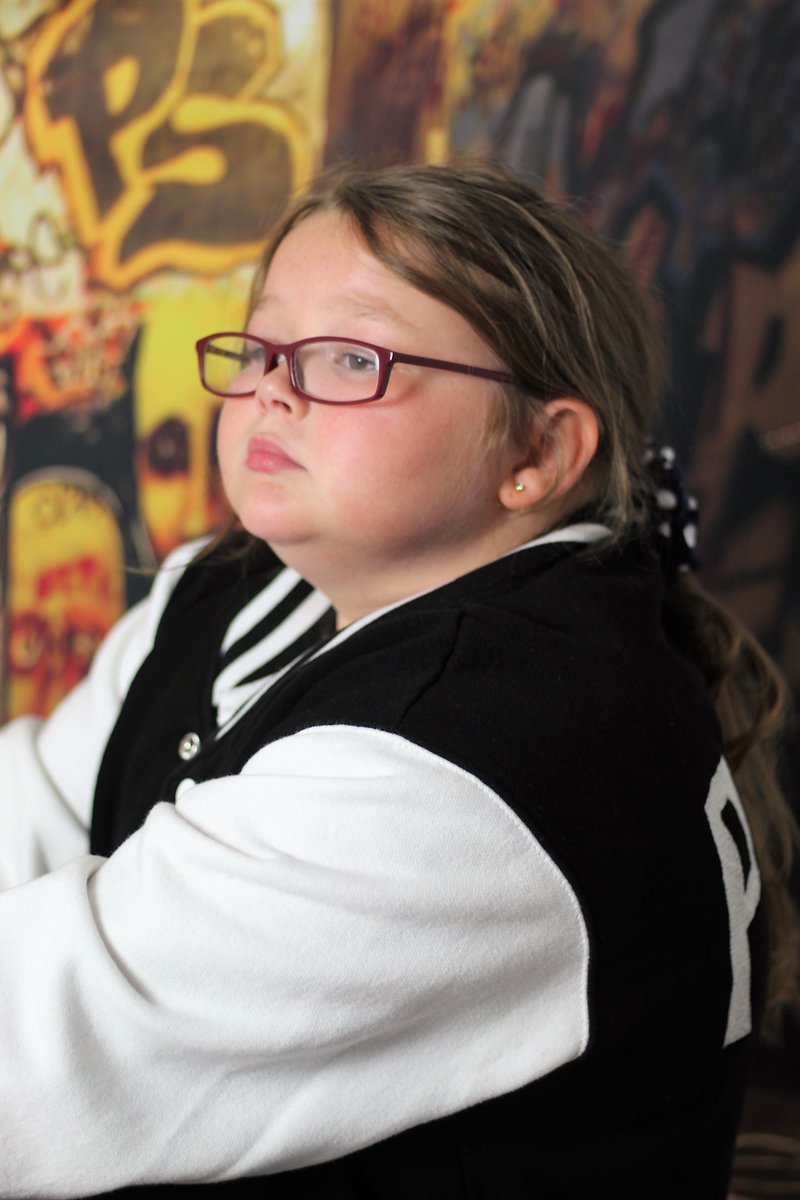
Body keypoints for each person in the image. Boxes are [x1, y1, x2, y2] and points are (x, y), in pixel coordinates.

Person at [0, 162, 797, 1200]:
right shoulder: (237, 583)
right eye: (263, 344)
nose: (271, 388)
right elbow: (34, 810)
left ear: (535, 450)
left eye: (349, 357)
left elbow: (40, 1059)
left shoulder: (479, 752)